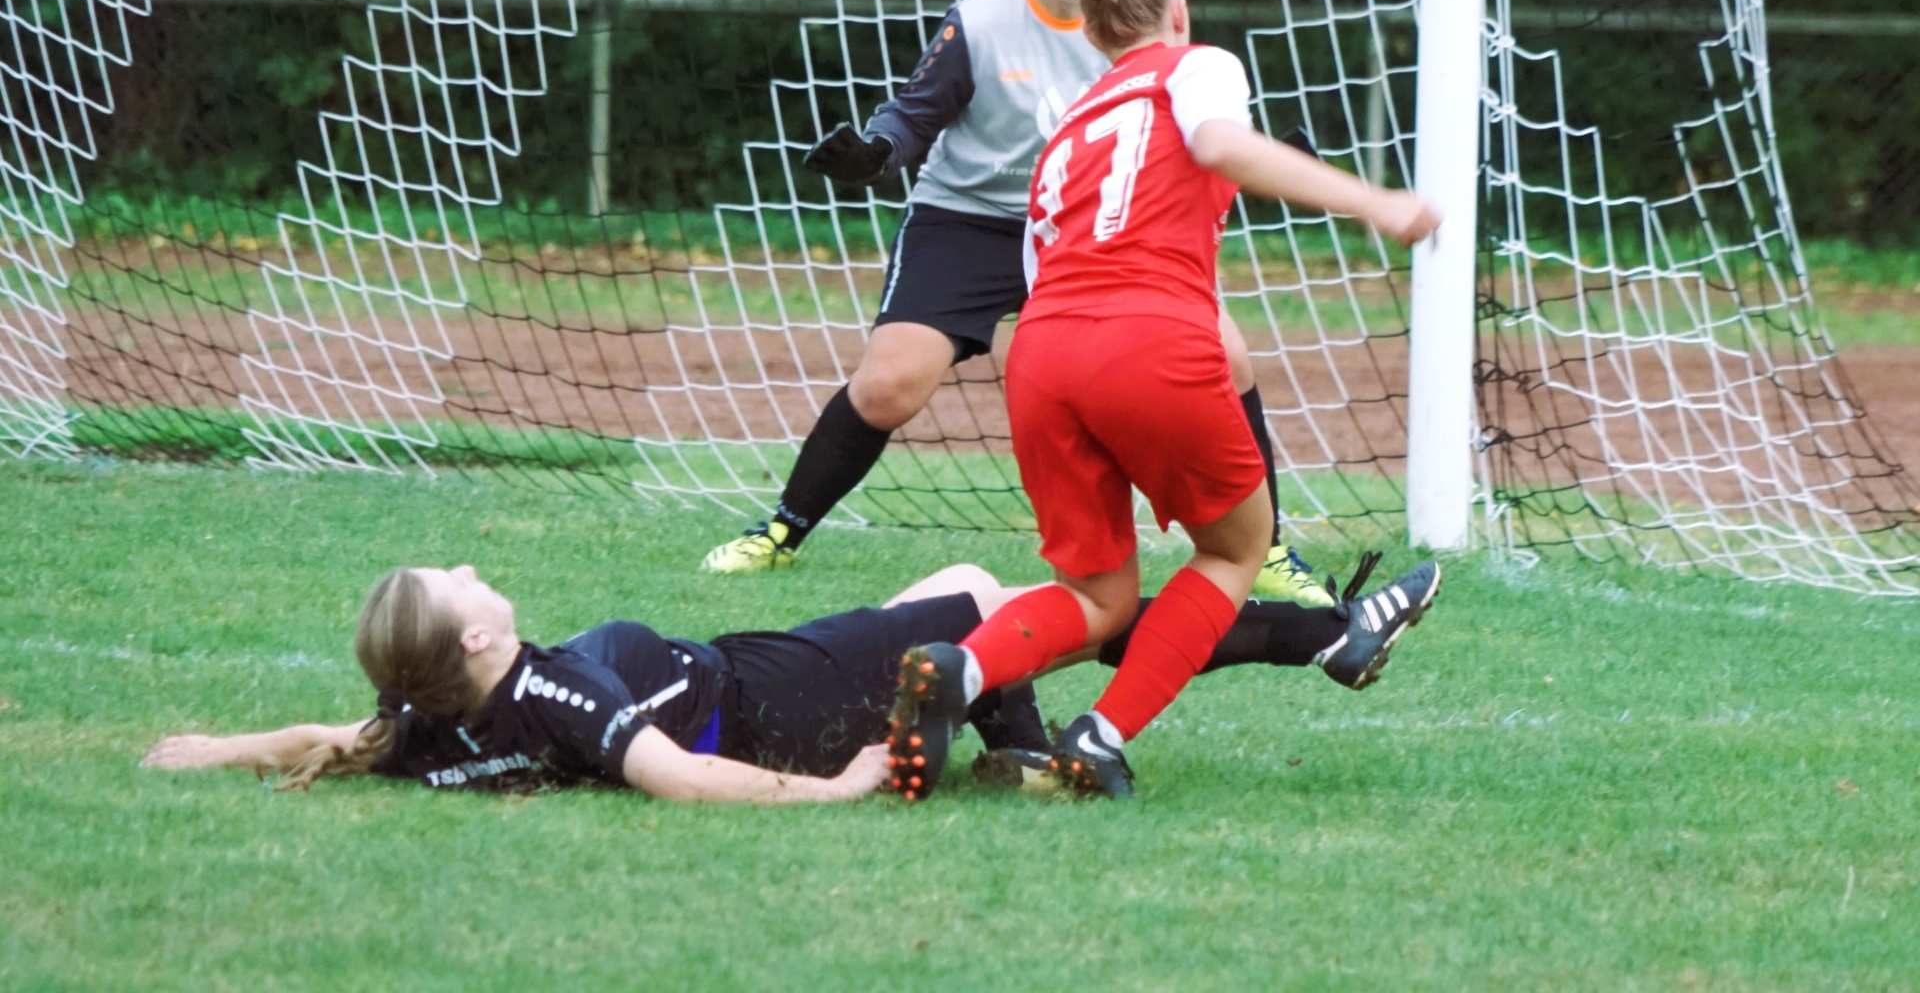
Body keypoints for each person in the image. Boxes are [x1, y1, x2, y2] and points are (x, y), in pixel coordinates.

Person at [884, 0, 1444, 801]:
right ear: (1177, 11)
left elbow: (1047, 264)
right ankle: (1099, 736)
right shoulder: (1197, 65)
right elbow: (1219, 144)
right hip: (1143, 337)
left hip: (1041, 352)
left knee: (1097, 595)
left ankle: (960, 669)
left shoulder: (1069, 125)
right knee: (1236, 549)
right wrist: (1375, 201)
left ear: (1092, 32)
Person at [701, 0, 1329, 606]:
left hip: (1088, 230)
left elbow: (1186, 144)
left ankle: (1267, 549)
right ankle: (780, 532)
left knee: (1230, 357)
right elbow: (912, 116)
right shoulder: (982, 21)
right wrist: (876, 153)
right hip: (966, 221)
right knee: (890, 386)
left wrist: (1269, 163)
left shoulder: (1135, 31)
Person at [141, 552, 1433, 803]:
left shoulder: (431, 714)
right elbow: (673, 772)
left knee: (966, 585)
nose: (474, 569)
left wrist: (222, 748)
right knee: (1009, 604)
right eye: (455, 582)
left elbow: (340, 731)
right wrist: (835, 787)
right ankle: (1311, 636)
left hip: (753, 675)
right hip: (776, 706)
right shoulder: (557, 694)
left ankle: (1007, 737)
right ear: (471, 641)